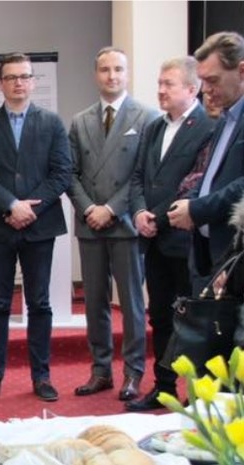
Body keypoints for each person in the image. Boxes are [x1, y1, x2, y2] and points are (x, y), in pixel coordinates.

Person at [0, 52, 71, 403]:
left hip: (40, 226)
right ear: (0, 84)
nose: (18, 83)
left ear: (33, 82)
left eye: (24, 76)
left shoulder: (52, 123)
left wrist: (29, 209)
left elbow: (62, 173)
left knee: (39, 302)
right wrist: (12, 205)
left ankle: (41, 376)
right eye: (11, 77)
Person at [68, 46, 158, 402]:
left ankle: (133, 372)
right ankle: (100, 370)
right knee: (94, 302)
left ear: (127, 73)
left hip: (125, 224)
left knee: (132, 303)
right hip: (90, 223)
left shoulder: (146, 117)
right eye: (105, 69)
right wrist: (90, 208)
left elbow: (143, 174)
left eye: (118, 69)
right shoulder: (80, 120)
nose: (112, 76)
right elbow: (71, 173)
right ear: (96, 75)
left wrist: (112, 209)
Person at [126, 57, 215, 412]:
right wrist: (138, 212)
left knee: (192, 321)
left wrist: (158, 219)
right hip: (154, 241)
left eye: (169, 84)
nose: (160, 90)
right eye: (159, 83)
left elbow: (195, 184)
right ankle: (163, 388)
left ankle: (197, 393)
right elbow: (137, 177)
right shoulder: (153, 127)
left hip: (186, 243)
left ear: (192, 89)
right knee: (160, 316)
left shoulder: (208, 127)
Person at [169, 31, 244, 293]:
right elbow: (210, 176)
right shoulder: (224, 119)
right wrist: (190, 202)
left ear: (241, 71)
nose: (206, 90)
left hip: (235, 256)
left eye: (213, 80)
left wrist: (198, 209)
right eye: (203, 81)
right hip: (207, 255)